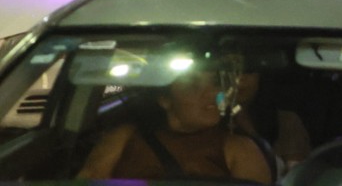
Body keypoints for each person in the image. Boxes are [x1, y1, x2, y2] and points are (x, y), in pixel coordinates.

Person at [77, 68, 271, 182]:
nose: (212, 93)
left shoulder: (239, 148)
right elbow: (89, 179)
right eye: (193, 85)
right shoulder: (126, 137)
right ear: (165, 100)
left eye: (214, 84)